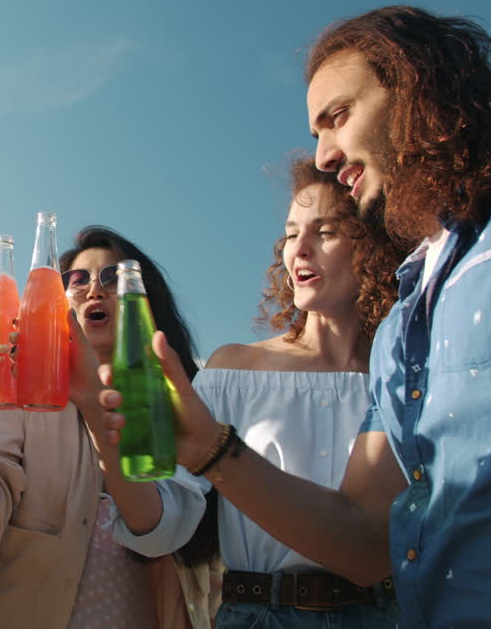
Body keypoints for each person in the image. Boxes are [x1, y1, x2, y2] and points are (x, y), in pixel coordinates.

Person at [100, 5, 491, 627]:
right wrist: (207, 447)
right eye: (315, 133)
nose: (325, 154)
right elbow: (366, 544)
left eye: (337, 117)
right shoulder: (407, 325)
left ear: (423, 91)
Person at [110, 158, 407, 627]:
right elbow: (167, 523)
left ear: (374, 243)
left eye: (324, 232)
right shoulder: (233, 369)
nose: (300, 250)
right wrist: (110, 444)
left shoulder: (403, 374)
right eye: (291, 234)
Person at [0, 226, 210, 628]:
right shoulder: (23, 406)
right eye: (76, 280)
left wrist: (91, 401)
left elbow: (161, 533)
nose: (94, 290)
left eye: (113, 278)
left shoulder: (177, 406)